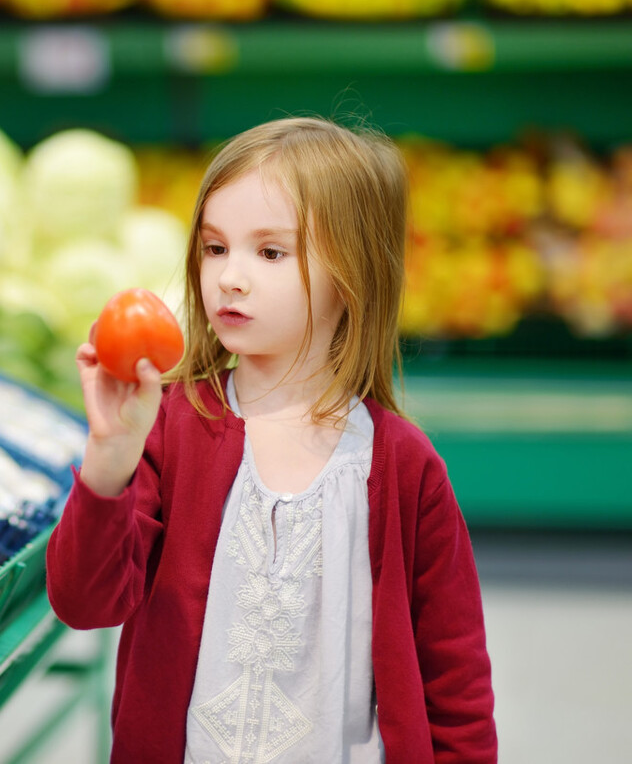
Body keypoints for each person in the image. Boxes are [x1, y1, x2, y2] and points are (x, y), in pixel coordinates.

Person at [46, 116, 497, 763]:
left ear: (352, 272)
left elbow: (455, 678)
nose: (230, 276)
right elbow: (85, 602)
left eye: (270, 253)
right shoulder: (174, 425)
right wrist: (109, 458)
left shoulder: (401, 464)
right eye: (214, 248)